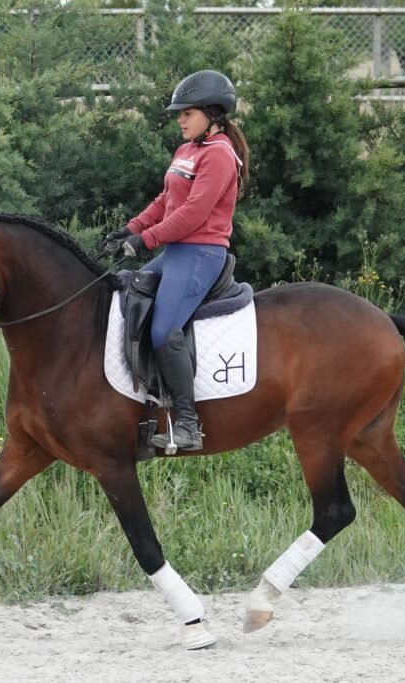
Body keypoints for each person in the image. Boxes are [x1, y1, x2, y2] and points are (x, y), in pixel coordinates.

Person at [104, 69, 250, 452]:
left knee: (163, 331)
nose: (180, 119)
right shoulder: (187, 151)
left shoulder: (219, 155)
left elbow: (194, 214)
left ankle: (187, 424)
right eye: (180, 113)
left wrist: (146, 240)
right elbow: (165, 201)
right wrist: (130, 228)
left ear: (212, 114)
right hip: (175, 252)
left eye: (187, 112)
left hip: (202, 253)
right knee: (126, 294)